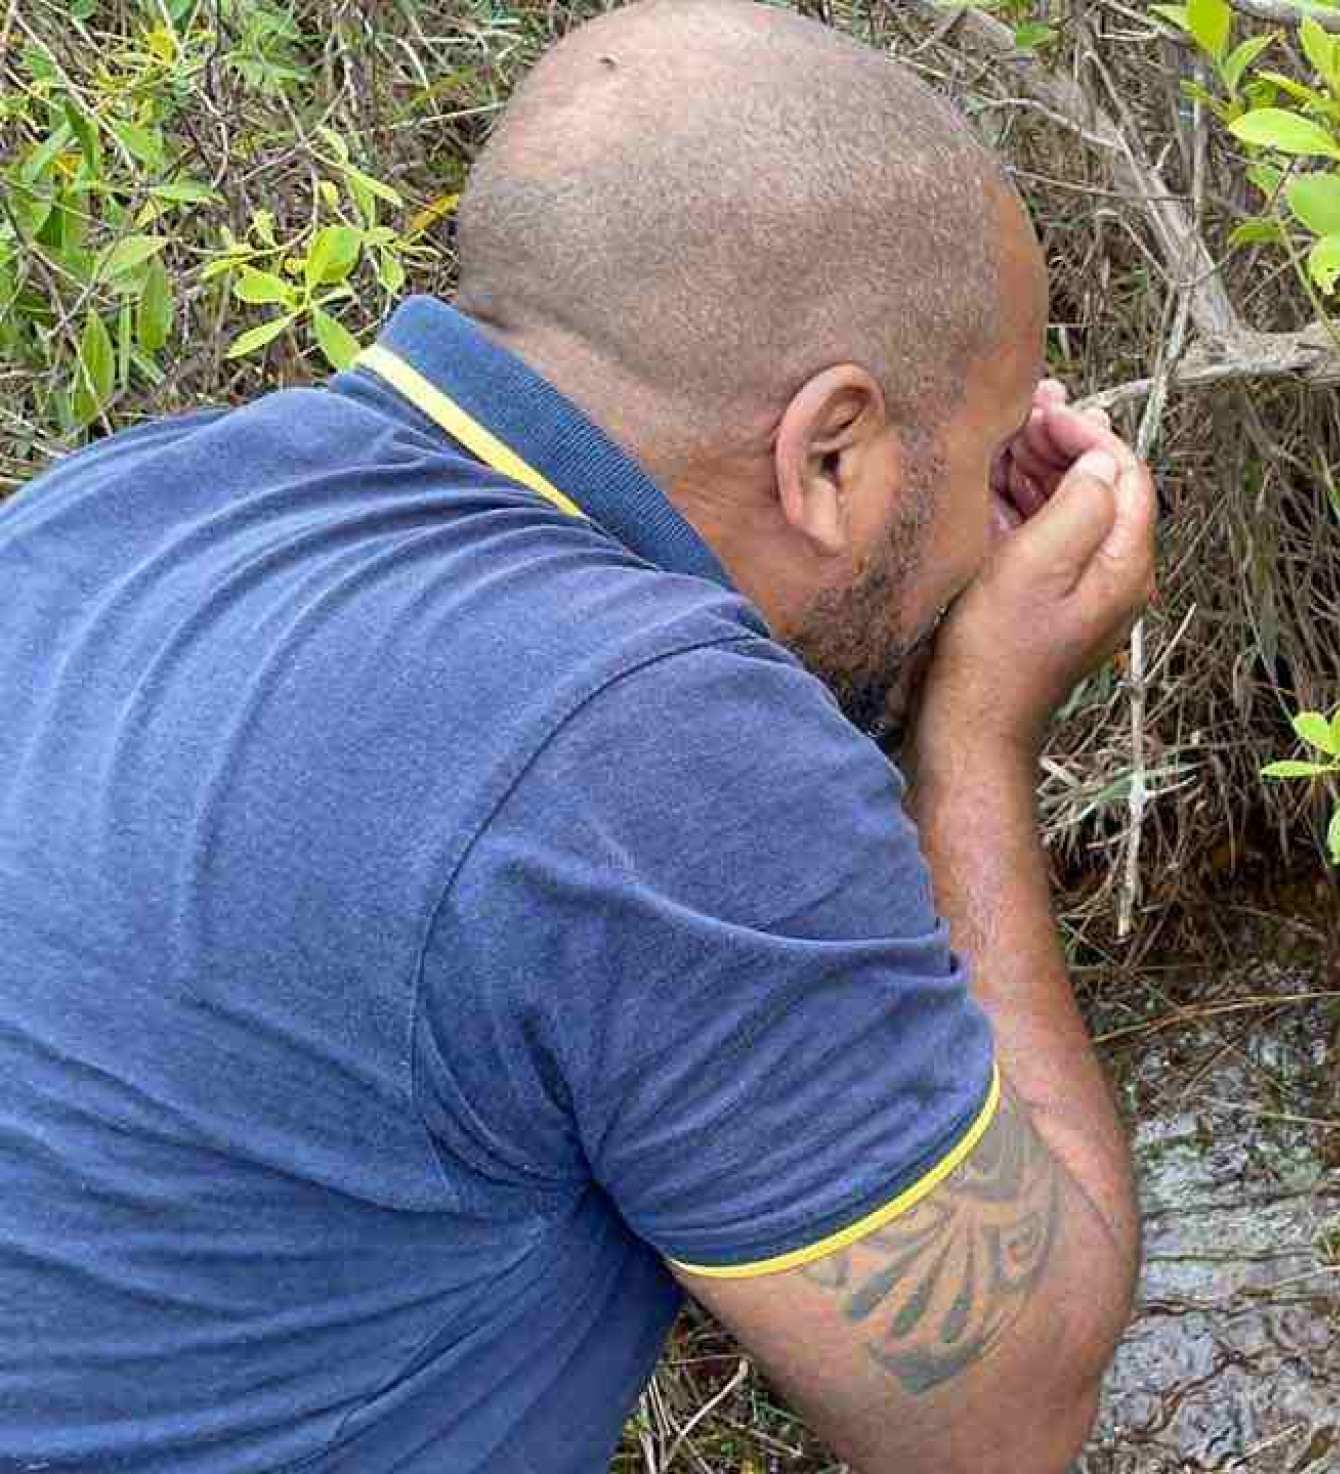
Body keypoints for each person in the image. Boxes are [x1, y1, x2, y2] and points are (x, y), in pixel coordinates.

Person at [0, 2, 1147, 1470]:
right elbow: (1001, 1412)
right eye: (989, 456)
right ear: (831, 451)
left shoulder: (98, 511)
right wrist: (977, 738)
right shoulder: (657, 741)